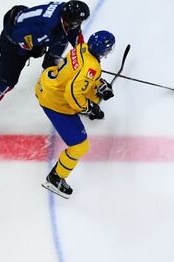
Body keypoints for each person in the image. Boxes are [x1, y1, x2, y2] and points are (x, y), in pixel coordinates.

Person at [0, 0, 90, 140]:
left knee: (62, 37)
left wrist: (85, 56)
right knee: (5, 83)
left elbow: (73, 32)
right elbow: (19, 36)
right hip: (13, 43)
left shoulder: (63, 13)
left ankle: (51, 62)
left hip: (26, 25)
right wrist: (34, 48)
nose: (79, 24)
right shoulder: (48, 29)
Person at [34, 30, 116, 199]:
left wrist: (100, 84)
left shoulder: (82, 48)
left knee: (90, 94)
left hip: (48, 83)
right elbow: (72, 95)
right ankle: (55, 178)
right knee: (80, 146)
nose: (109, 52)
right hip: (53, 101)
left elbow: (79, 73)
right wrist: (90, 108)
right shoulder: (91, 68)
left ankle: (89, 103)